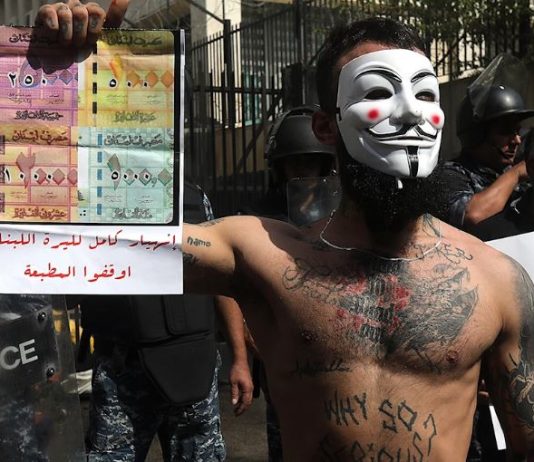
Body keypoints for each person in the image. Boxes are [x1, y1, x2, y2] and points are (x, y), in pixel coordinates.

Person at [38, 4, 534, 460]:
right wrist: (73, 77)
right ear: (325, 126)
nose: (410, 112)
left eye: (425, 94)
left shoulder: (497, 281)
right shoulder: (267, 256)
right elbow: (85, 237)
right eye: (379, 92)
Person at [71, 181, 253, 462]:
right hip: (122, 372)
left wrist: (239, 359)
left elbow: (220, 280)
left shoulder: (193, 197)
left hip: (193, 367)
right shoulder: (89, 197)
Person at [239, 105, 338, 461]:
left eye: (311, 163)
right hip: (281, 354)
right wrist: (247, 340)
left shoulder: (344, 217)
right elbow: (237, 286)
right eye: (295, 164)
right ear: (279, 168)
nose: (303, 172)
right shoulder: (257, 219)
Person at [438, 84, 534, 241]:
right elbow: (472, 216)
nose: (516, 140)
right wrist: (515, 174)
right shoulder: (451, 175)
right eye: (505, 131)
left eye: (517, 131)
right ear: (477, 134)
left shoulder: (515, 174)